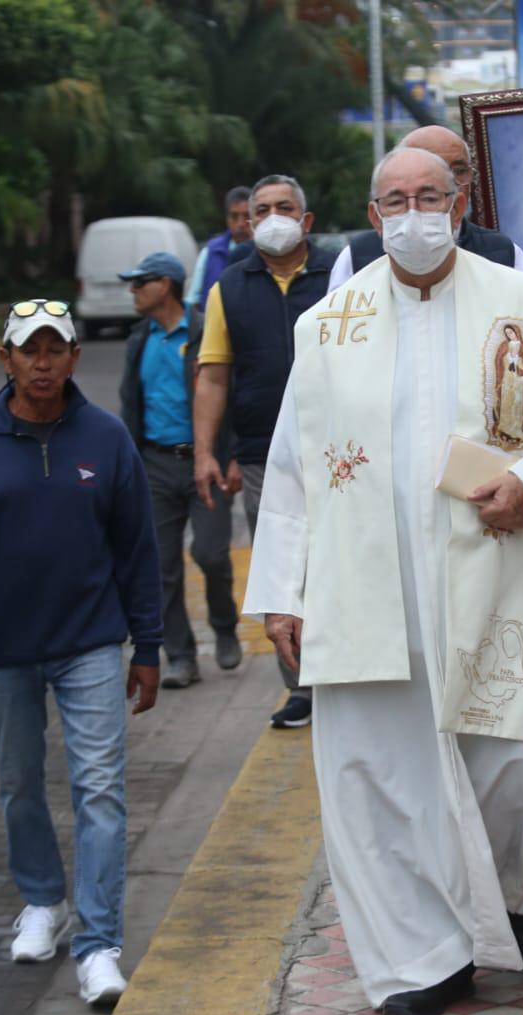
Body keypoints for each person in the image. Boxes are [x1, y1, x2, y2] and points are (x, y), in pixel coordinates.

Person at [243, 146, 523, 1015]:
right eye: (395, 200)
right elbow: (290, 468)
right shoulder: (325, 326)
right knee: (384, 775)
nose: (413, 214)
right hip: (373, 592)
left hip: (501, 573)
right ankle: (421, 957)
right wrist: (283, 590)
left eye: (429, 197)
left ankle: (520, 896)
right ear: (372, 218)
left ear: (459, 201)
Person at [0, 299, 163, 1008]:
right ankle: (43, 901)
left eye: (56, 349)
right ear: (7, 360)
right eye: (30, 350)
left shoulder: (106, 439)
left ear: (75, 357)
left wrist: (147, 643)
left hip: (89, 643)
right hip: (6, 648)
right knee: (20, 784)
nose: (43, 362)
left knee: (101, 791)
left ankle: (99, 944)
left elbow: (137, 552)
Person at [193, 174, 335, 729]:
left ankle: (348, 672)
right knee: (281, 568)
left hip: (340, 449)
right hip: (260, 455)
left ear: (306, 221)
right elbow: (213, 378)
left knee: (339, 561)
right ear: (248, 224)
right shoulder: (228, 287)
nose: (274, 216)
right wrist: (207, 451)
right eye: (263, 209)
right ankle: (299, 688)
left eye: (285, 207)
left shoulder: (341, 275)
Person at [117, 251, 240, 690]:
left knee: (210, 553)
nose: (132, 291)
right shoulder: (138, 340)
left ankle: (225, 627)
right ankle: (181, 656)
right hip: (153, 464)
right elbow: (130, 404)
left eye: (138, 282)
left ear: (164, 284)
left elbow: (231, 391)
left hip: (205, 462)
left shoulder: (206, 329)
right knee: (160, 566)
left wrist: (233, 454)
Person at [329, 125, 523, 287]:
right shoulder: (357, 257)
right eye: (436, 168)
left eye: (460, 170)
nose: (452, 181)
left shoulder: (503, 253)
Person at [186, 186, 254, 314]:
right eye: (234, 216)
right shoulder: (210, 252)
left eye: (246, 216)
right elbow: (193, 301)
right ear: (227, 218)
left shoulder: (267, 253)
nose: (240, 223)